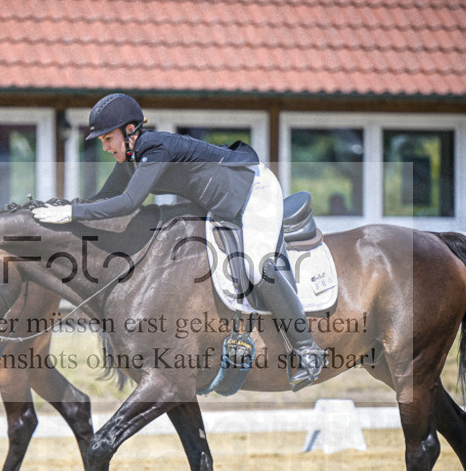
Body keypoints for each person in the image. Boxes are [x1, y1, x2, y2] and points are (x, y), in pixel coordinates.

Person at [32, 93, 323, 389]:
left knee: (259, 267)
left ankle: (307, 349)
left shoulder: (154, 148)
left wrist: (72, 211)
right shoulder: (132, 159)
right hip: (222, 205)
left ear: (130, 131)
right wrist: (60, 212)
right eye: (102, 141)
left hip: (253, 191)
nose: (105, 147)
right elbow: (103, 201)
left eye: (108, 139)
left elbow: (129, 203)